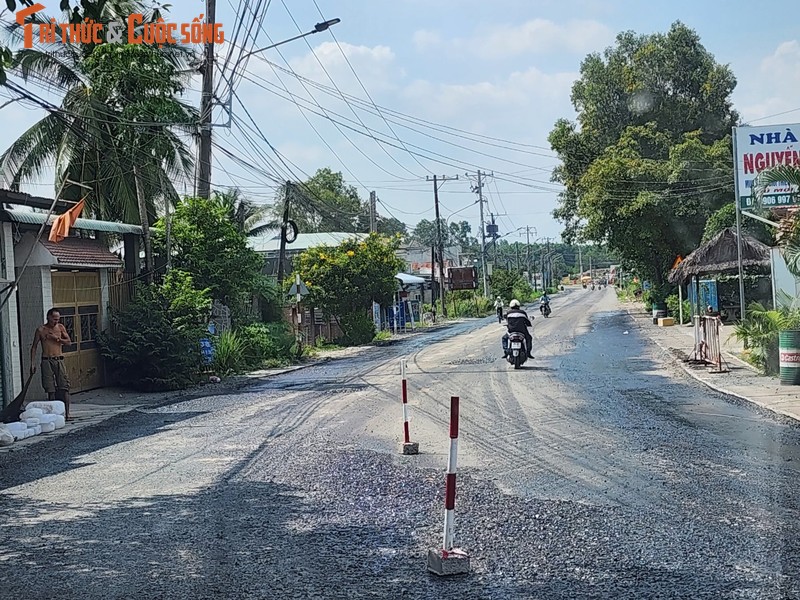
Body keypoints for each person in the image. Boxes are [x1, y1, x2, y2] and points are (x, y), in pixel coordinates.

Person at [30, 308, 72, 420]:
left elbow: (68, 342)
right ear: (48, 317)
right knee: (50, 388)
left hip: (59, 359)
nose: (56, 321)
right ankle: (53, 415)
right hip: (46, 360)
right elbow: (34, 347)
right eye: (54, 319)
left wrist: (57, 339)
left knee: (64, 386)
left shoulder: (60, 328)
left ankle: (67, 414)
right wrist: (32, 363)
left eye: (58, 319)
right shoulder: (41, 330)